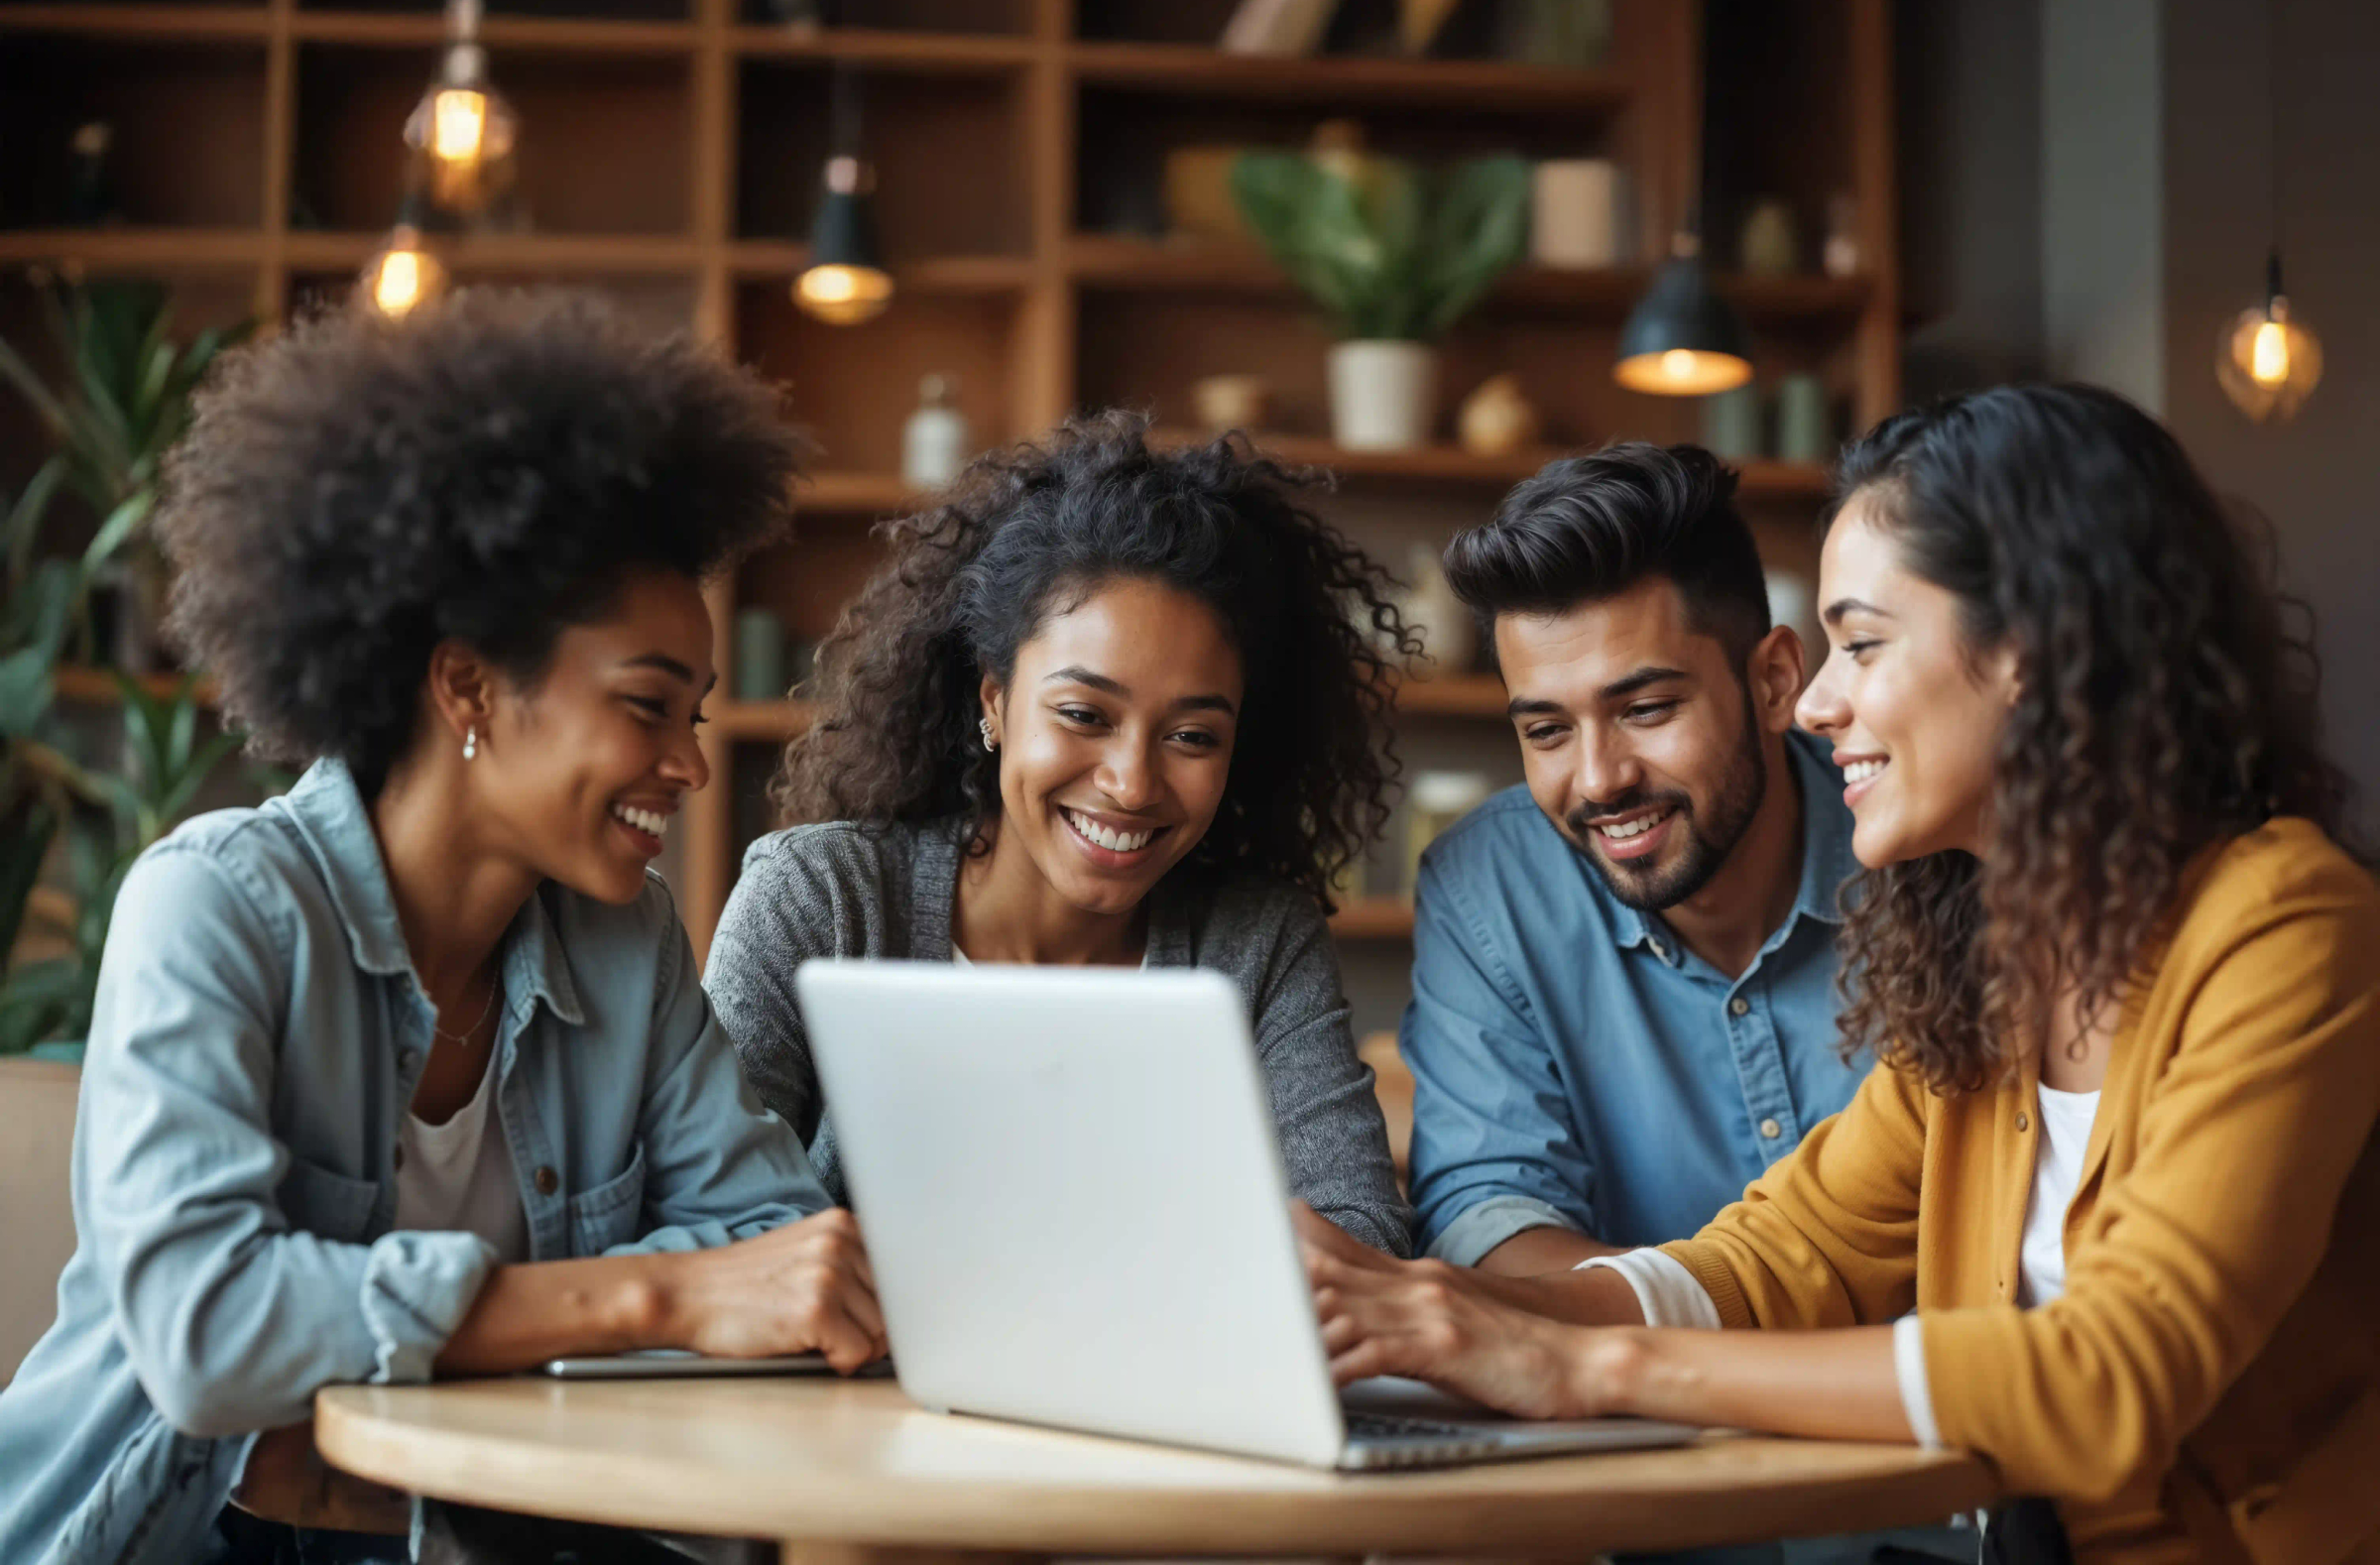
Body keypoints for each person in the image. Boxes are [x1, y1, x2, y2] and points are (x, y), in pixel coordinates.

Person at [1298, 385, 2380, 1565]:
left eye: (1861, 643)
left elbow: (2110, 1376)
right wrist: (1437, 1311)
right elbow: (1780, 1257)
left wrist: (1585, 1363)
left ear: (2032, 647)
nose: (1817, 703)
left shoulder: (2287, 924)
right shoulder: (1991, 952)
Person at [0, 295, 885, 1565]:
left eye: (694, 715)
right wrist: (653, 1292)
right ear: (467, 682)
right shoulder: (219, 908)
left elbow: (771, 1253)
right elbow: (206, 1331)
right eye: (647, 707)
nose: (687, 765)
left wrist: (694, 1287)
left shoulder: (625, 946)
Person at [705, 415, 1409, 1255]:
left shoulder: (1256, 941)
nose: (1132, 782)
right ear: (994, 700)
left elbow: (1365, 1243)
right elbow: (707, 1224)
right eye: (1083, 715)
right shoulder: (824, 900)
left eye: (1192, 736)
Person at [1404, 444, 1865, 1272]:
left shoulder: (1924, 840)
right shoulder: (1488, 888)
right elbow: (1492, 1215)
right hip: (1637, 1405)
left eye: (1647, 709)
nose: (1599, 780)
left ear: (1774, 682)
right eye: (1546, 730)